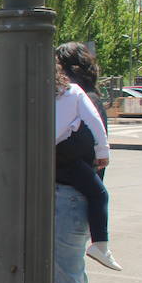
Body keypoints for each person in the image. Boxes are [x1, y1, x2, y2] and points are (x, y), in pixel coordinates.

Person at [55, 62, 121, 272]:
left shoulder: (29, 94)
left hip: (38, 156)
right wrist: (102, 152)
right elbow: (94, 122)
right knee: (99, 194)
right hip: (65, 158)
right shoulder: (73, 92)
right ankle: (100, 245)